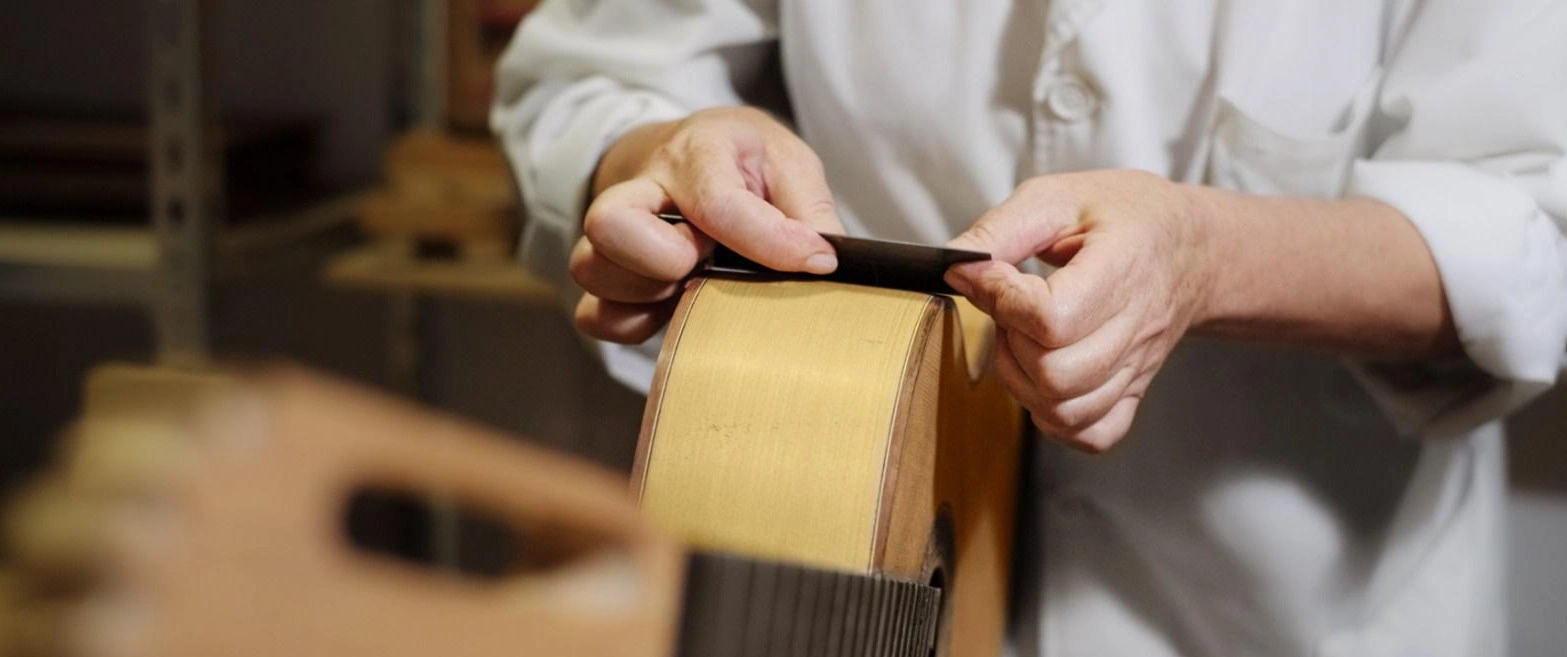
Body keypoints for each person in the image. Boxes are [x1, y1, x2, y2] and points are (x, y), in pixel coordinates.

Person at [492, 1, 1567, 655]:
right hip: (838, 586)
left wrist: (1210, 256)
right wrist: (654, 155)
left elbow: (1536, 220)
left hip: (1294, 623)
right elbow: (591, 71)